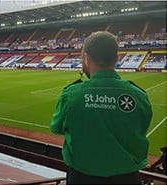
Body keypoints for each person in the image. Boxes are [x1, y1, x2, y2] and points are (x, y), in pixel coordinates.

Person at [50, 31, 153, 184]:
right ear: (117, 57)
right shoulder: (138, 96)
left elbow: (56, 127)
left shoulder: (71, 95)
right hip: (127, 178)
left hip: (81, 177)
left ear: (86, 57)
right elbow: (141, 129)